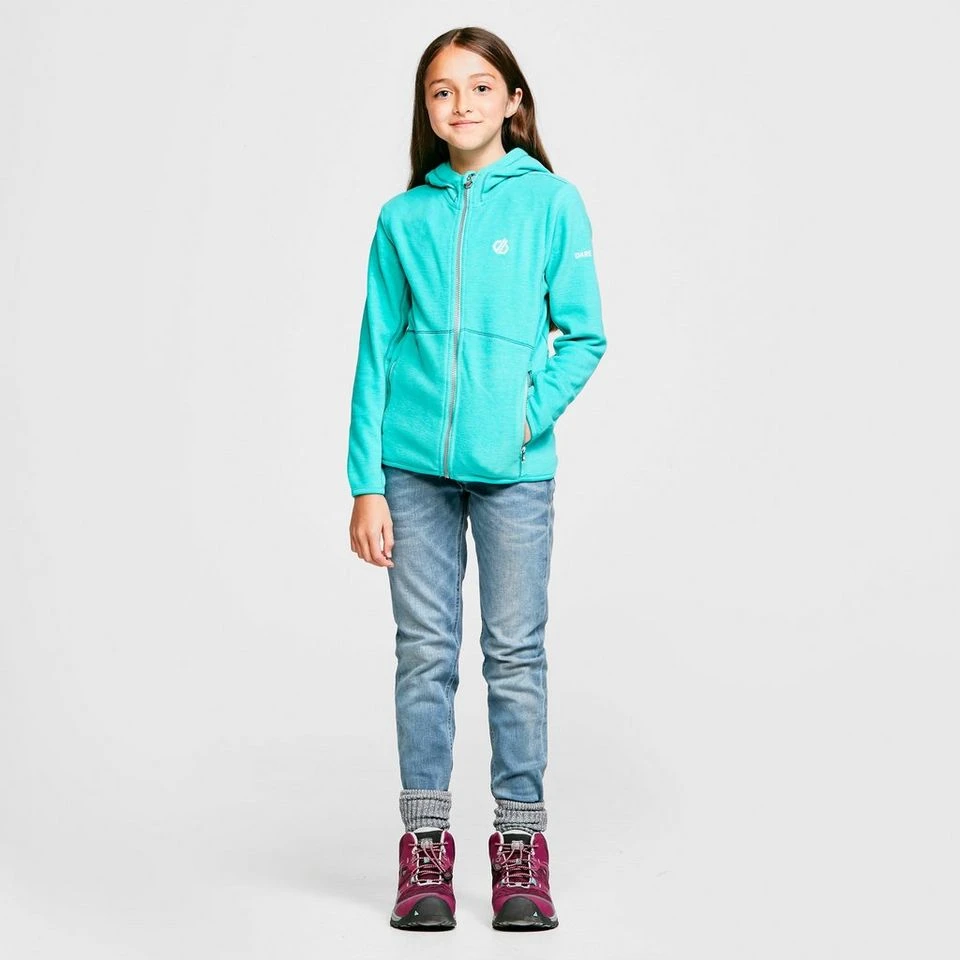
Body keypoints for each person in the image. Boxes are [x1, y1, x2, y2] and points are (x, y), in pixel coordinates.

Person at [346, 25, 607, 932]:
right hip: (410, 469)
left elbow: (586, 335)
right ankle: (425, 849)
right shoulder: (402, 220)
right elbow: (375, 350)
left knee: (514, 655)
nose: (461, 104)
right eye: (442, 91)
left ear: (513, 101)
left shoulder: (552, 204)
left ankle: (520, 849)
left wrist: (524, 418)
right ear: (427, 110)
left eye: (480, 86)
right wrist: (365, 482)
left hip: (515, 475)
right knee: (425, 654)